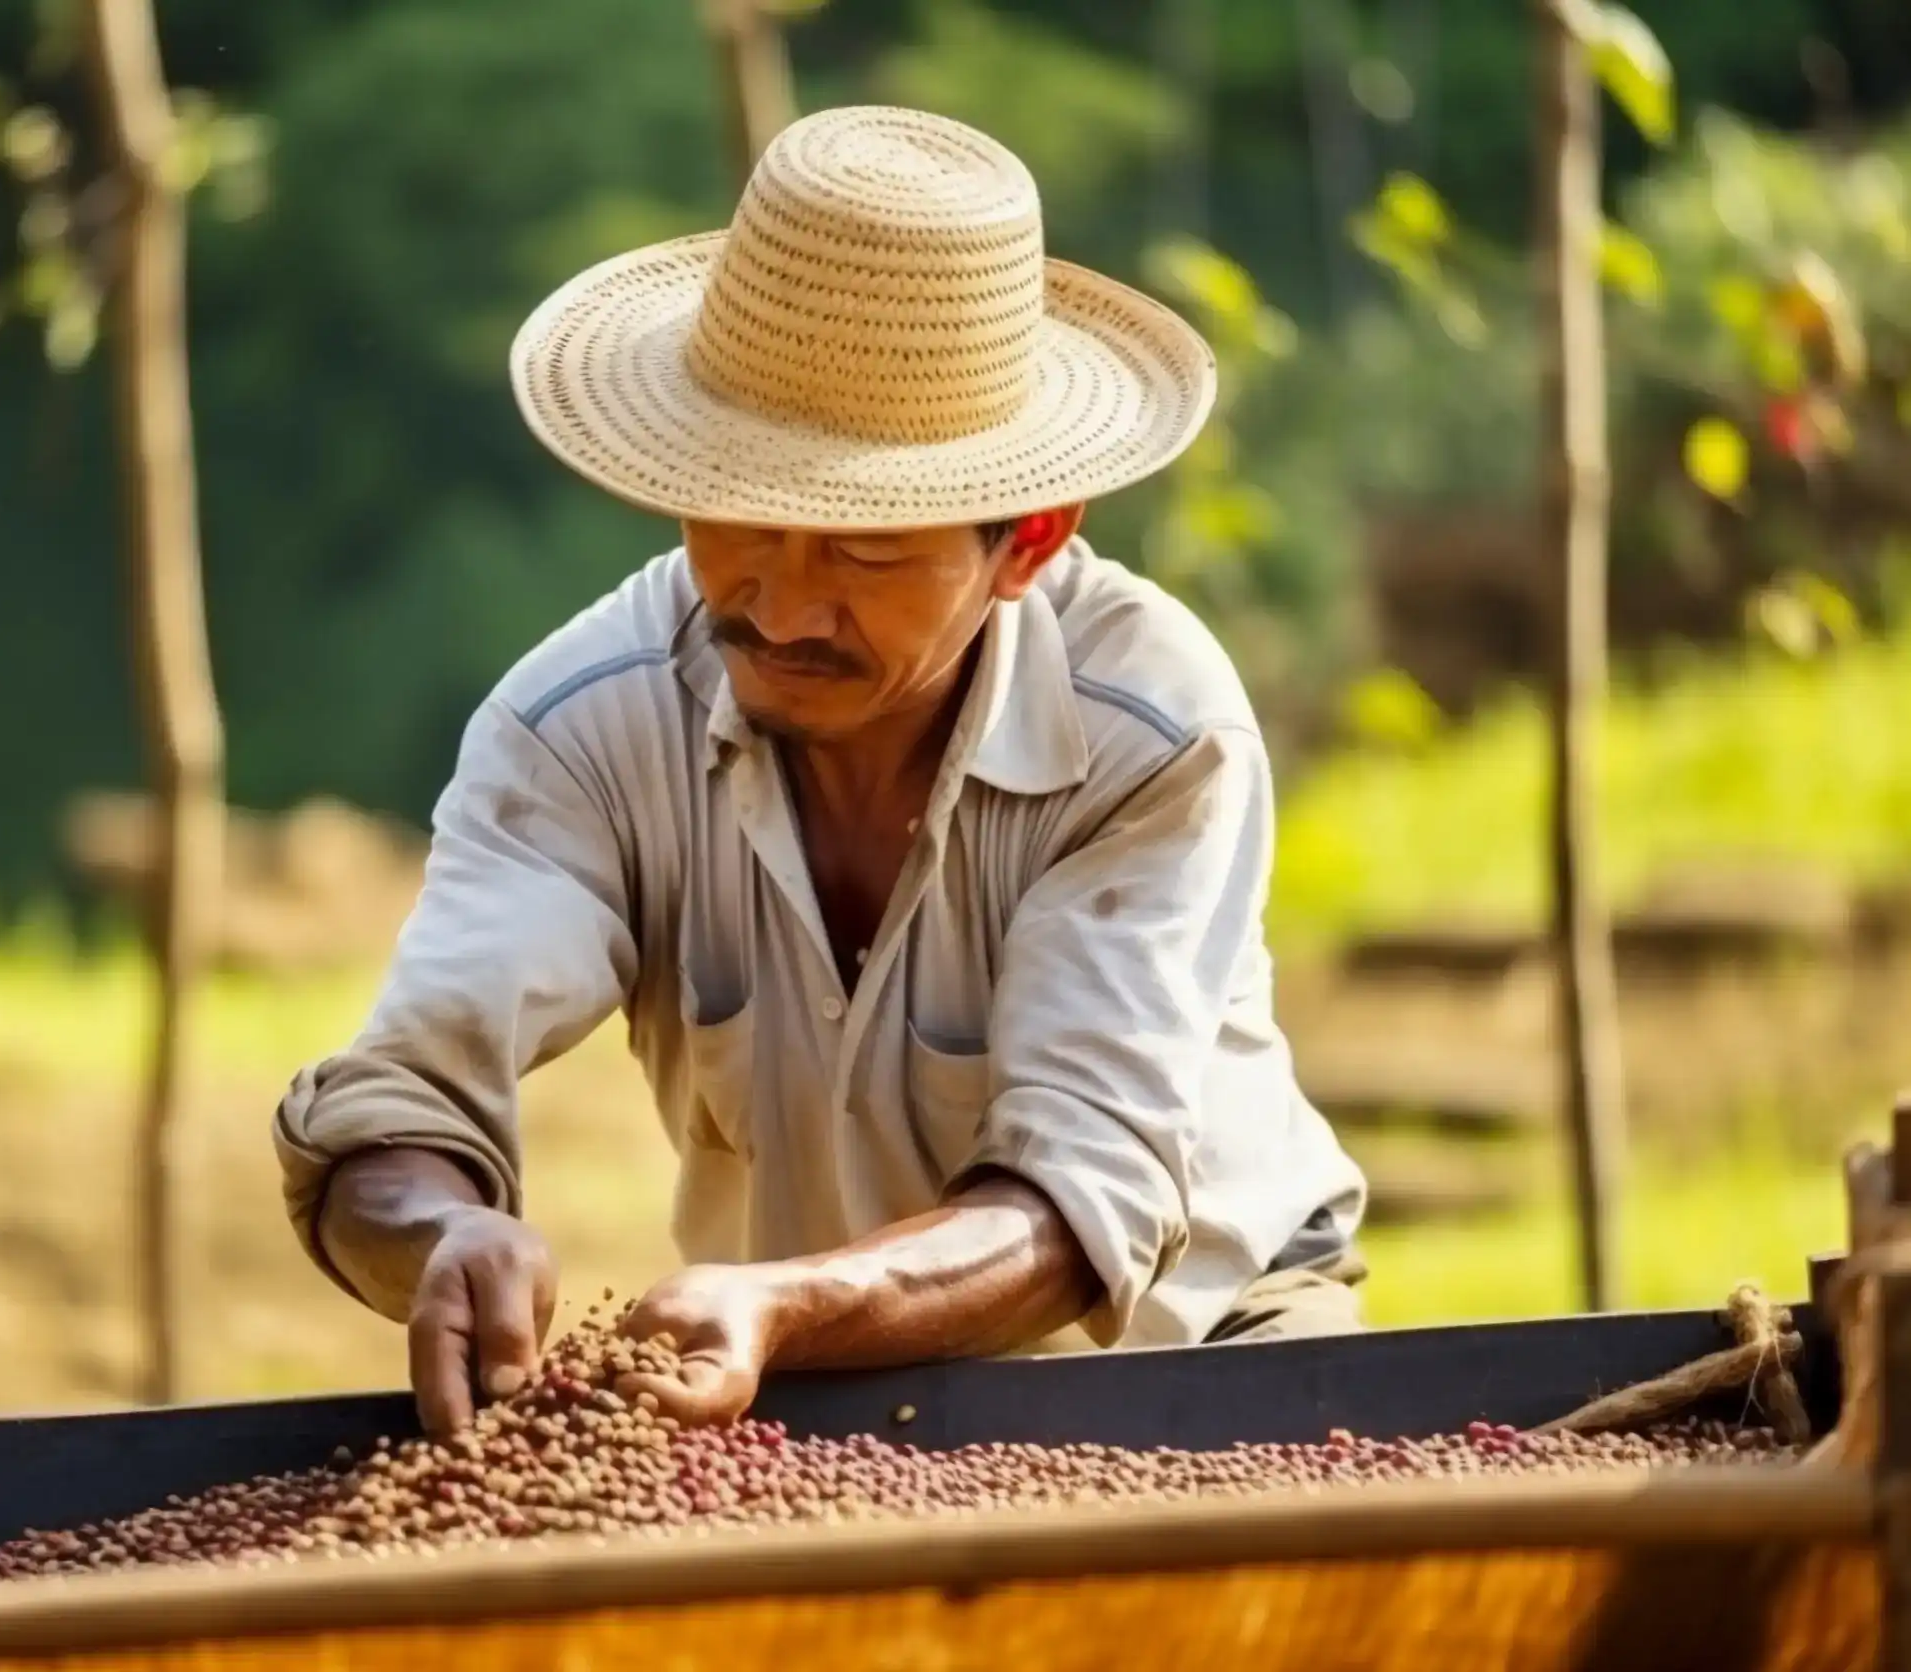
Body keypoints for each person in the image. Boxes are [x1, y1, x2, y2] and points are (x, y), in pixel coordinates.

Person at [274, 105, 1367, 1438]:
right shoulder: (585, 725)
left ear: (1026, 542)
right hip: (820, 1374)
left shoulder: (1146, 731)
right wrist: (441, 1231)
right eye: (739, 524)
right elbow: (396, 1101)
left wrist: (781, 1307)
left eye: (864, 552)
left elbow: (1084, 1205)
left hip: (1204, 1330)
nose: (781, 609)